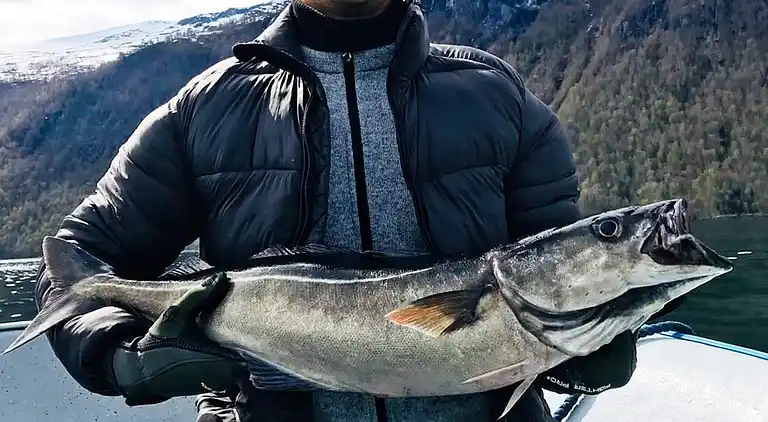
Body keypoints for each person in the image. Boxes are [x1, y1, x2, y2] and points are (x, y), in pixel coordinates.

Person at [34, 0, 644, 421]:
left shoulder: (500, 98)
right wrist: (120, 355)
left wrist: (593, 343)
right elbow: (78, 256)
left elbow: (554, 272)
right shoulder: (204, 110)